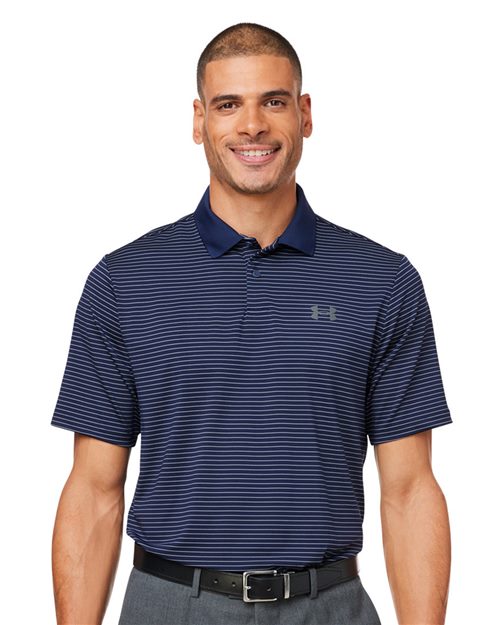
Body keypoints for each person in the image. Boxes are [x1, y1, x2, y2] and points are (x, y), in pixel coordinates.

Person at [51, 22, 453, 625]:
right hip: (170, 605)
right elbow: (93, 489)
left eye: (274, 101)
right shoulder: (125, 281)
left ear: (305, 114)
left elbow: (410, 490)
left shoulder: (382, 281)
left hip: (330, 606)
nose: (252, 125)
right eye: (228, 105)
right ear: (198, 121)